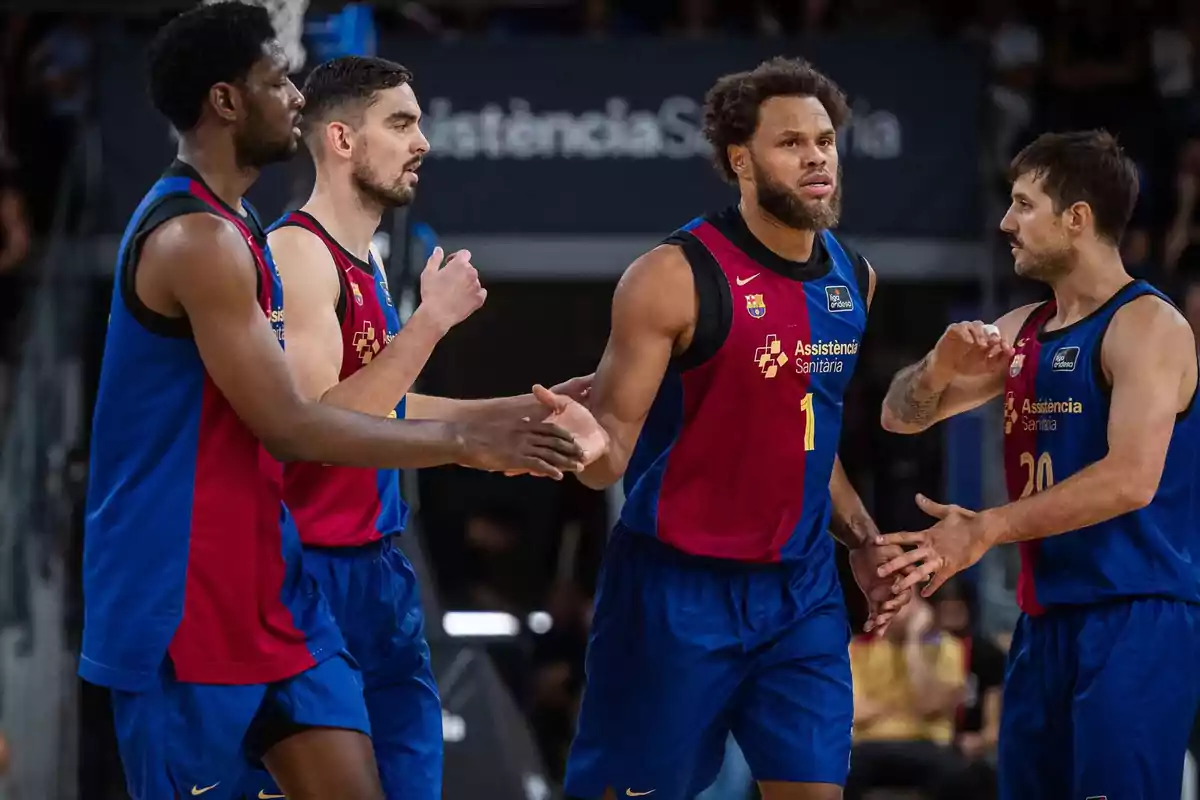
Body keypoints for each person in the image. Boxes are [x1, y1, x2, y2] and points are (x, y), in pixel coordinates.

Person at [80, 5, 586, 800]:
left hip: (270, 580)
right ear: (225, 100)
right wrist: (462, 436)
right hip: (180, 592)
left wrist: (500, 416)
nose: (294, 93)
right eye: (276, 79)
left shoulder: (237, 224)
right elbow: (294, 424)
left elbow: (342, 407)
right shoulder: (199, 241)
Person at [242, 55, 596, 800]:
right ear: (341, 139)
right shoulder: (297, 255)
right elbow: (318, 428)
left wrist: (514, 410)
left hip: (379, 571)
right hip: (310, 575)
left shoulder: (365, 262)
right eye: (401, 123)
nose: (422, 141)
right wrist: (431, 323)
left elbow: (387, 402)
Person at [562, 57, 911, 800]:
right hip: (677, 587)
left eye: (825, 139)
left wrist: (865, 538)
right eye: (792, 143)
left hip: (801, 588)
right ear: (740, 159)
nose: (817, 156)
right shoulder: (671, 276)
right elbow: (607, 456)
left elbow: (810, 432)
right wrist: (576, 439)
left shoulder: (856, 277)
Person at [877, 129, 1200, 800]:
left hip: (1133, 617)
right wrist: (938, 367)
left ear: (1076, 219)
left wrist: (985, 528)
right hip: (1045, 620)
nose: (1006, 222)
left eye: (1024, 205)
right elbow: (898, 416)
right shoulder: (1025, 326)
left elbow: (1130, 480)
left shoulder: (1148, 326)